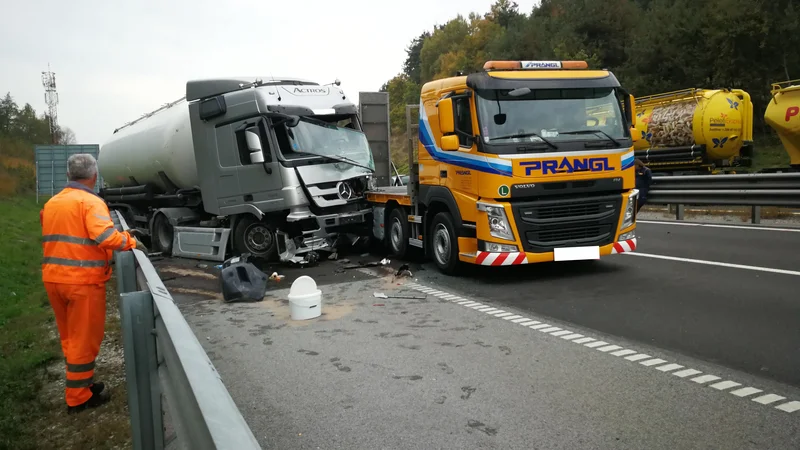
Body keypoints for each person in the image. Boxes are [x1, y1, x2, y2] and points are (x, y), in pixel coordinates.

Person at [40, 154, 146, 414]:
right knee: (84, 340)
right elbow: (105, 236)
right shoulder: (90, 202)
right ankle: (78, 398)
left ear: (69, 175)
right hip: (82, 283)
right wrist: (130, 241)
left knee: (70, 337)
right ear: (94, 176)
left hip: (54, 279)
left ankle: (82, 384)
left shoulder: (53, 202)